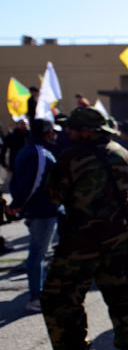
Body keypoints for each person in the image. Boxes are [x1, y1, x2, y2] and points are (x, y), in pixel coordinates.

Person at [40, 107, 128, 350]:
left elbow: (55, 195)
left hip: (81, 242)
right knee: (121, 296)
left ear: (86, 132)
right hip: (118, 238)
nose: (68, 132)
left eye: (73, 129)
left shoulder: (72, 158)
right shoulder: (121, 152)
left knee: (59, 298)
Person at [8, 119, 61, 313]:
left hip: (40, 210)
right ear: (46, 132)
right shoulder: (38, 153)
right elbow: (33, 182)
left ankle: (40, 293)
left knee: (40, 254)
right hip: (42, 211)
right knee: (37, 255)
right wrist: (18, 204)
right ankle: (35, 297)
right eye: (52, 131)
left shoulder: (28, 150)